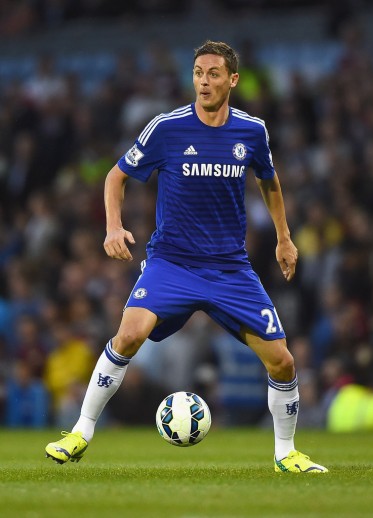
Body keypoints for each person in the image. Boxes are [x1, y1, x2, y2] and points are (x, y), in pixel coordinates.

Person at [45, 40, 328, 473]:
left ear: (232, 80)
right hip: (172, 263)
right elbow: (115, 176)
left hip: (230, 268)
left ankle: (285, 453)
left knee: (283, 360)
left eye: (214, 74)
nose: (204, 82)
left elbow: (269, 181)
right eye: (198, 73)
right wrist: (113, 227)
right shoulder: (167, 128)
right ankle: (80, 432)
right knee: (128, 336)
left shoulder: (252, 131)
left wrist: (284, 238)